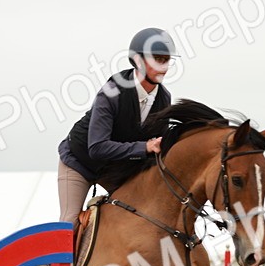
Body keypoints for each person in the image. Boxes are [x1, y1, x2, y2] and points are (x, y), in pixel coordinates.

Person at [57, 27, 178, 223]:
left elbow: (156, 149)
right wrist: (145, 147)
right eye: (157, 59)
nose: (163, 66)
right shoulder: (111, 92)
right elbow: (97, 148)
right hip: (80, 162)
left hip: (115, 171)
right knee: (69, 221)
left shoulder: (164, 98)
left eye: (166, 60)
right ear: (138, 61)